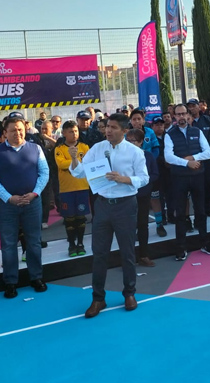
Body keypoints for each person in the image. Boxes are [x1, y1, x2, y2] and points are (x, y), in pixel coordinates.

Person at [69, 113, 149, 318]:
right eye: (107, 127)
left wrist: (125, 179)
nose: (108, 131)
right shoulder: (97, 148)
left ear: (124, 131)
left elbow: (144, 178)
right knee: (99, 253)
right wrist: (74, 158)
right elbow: (79, 173)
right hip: (103, 205)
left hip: (125, 205)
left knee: (127, 252)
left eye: (113, 127)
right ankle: (98, 298)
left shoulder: (135, 152)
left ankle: (129, 293)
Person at [0, 112, 50, 299]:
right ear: (5, 133)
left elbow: (44, 173)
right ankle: (10, 282)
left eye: (20, 130)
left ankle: (36, 277)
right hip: (6, 206)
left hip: (32, 203)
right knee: (8, 244)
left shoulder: (36, 149)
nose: (17, 133)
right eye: (13, 130)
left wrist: (35, 193)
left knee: (34, 241)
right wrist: (8, 198)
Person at [164, 105, 210, 261]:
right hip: (179, 178)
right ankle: (180, 247)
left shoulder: (197, 132)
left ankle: (205, 243)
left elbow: (208, 152)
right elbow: (168, 157)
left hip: (197, 176)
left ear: (188, 115)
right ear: (174, 116)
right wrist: (187, 163)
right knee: (180, 214)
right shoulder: (169, 134)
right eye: (178, 114)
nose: (181, 117)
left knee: (201, 211)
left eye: (183, 113)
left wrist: (193, 158)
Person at [54, 120, 90, 257]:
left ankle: (80, 243)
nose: (74, 134)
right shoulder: (59, 148)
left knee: (81, 218)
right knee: (69, 219)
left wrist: (75, 161)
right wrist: (76, 161)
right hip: (66, 189)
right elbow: (61, 164)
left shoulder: (84, 147)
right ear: (64, 133)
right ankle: (71, 244)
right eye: (70, 131)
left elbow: (89, 162)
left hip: (82, 187)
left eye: (75, 131)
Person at [126, 129, 159, 266]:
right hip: (126, 196)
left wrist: (143, 182)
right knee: (127, 228)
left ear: (140, 142)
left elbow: (155, 174)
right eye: (127, 141)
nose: (130, 143)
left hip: (143, 195)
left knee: (142, 225)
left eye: (133, 141)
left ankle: (144, 255)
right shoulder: (122, 157)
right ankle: (128, 258)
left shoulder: (148, 156)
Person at [186, 98, 210, 217]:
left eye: (193, 106)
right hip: (194, 159)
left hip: (207, 158)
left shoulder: (207, 119)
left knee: (209, 184)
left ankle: (208, 207)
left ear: (199, 107)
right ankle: (199, 209)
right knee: (197, 186)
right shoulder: (188, 121)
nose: (192, 108)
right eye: (189, 106)